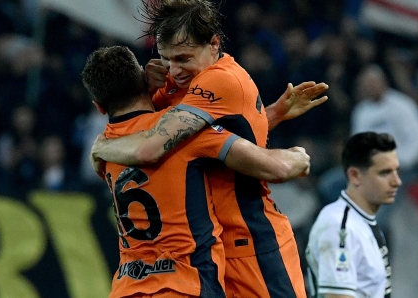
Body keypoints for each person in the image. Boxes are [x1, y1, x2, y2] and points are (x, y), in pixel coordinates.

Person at [89, 1, 329, 297]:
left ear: (214, 44)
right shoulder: (185, 82)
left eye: (183, 58)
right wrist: (272, 114)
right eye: (166, 59)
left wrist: (102, 148)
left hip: (252, 242)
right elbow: (211, 138)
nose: (174, 71)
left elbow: (152, 146)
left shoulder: (218, 79)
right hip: (209, 256)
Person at [305, 132, 400, 298]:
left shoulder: (365, 223)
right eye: (384, 173)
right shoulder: (339, 227)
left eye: (395, 171)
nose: (396, 181)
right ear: (355, 176)